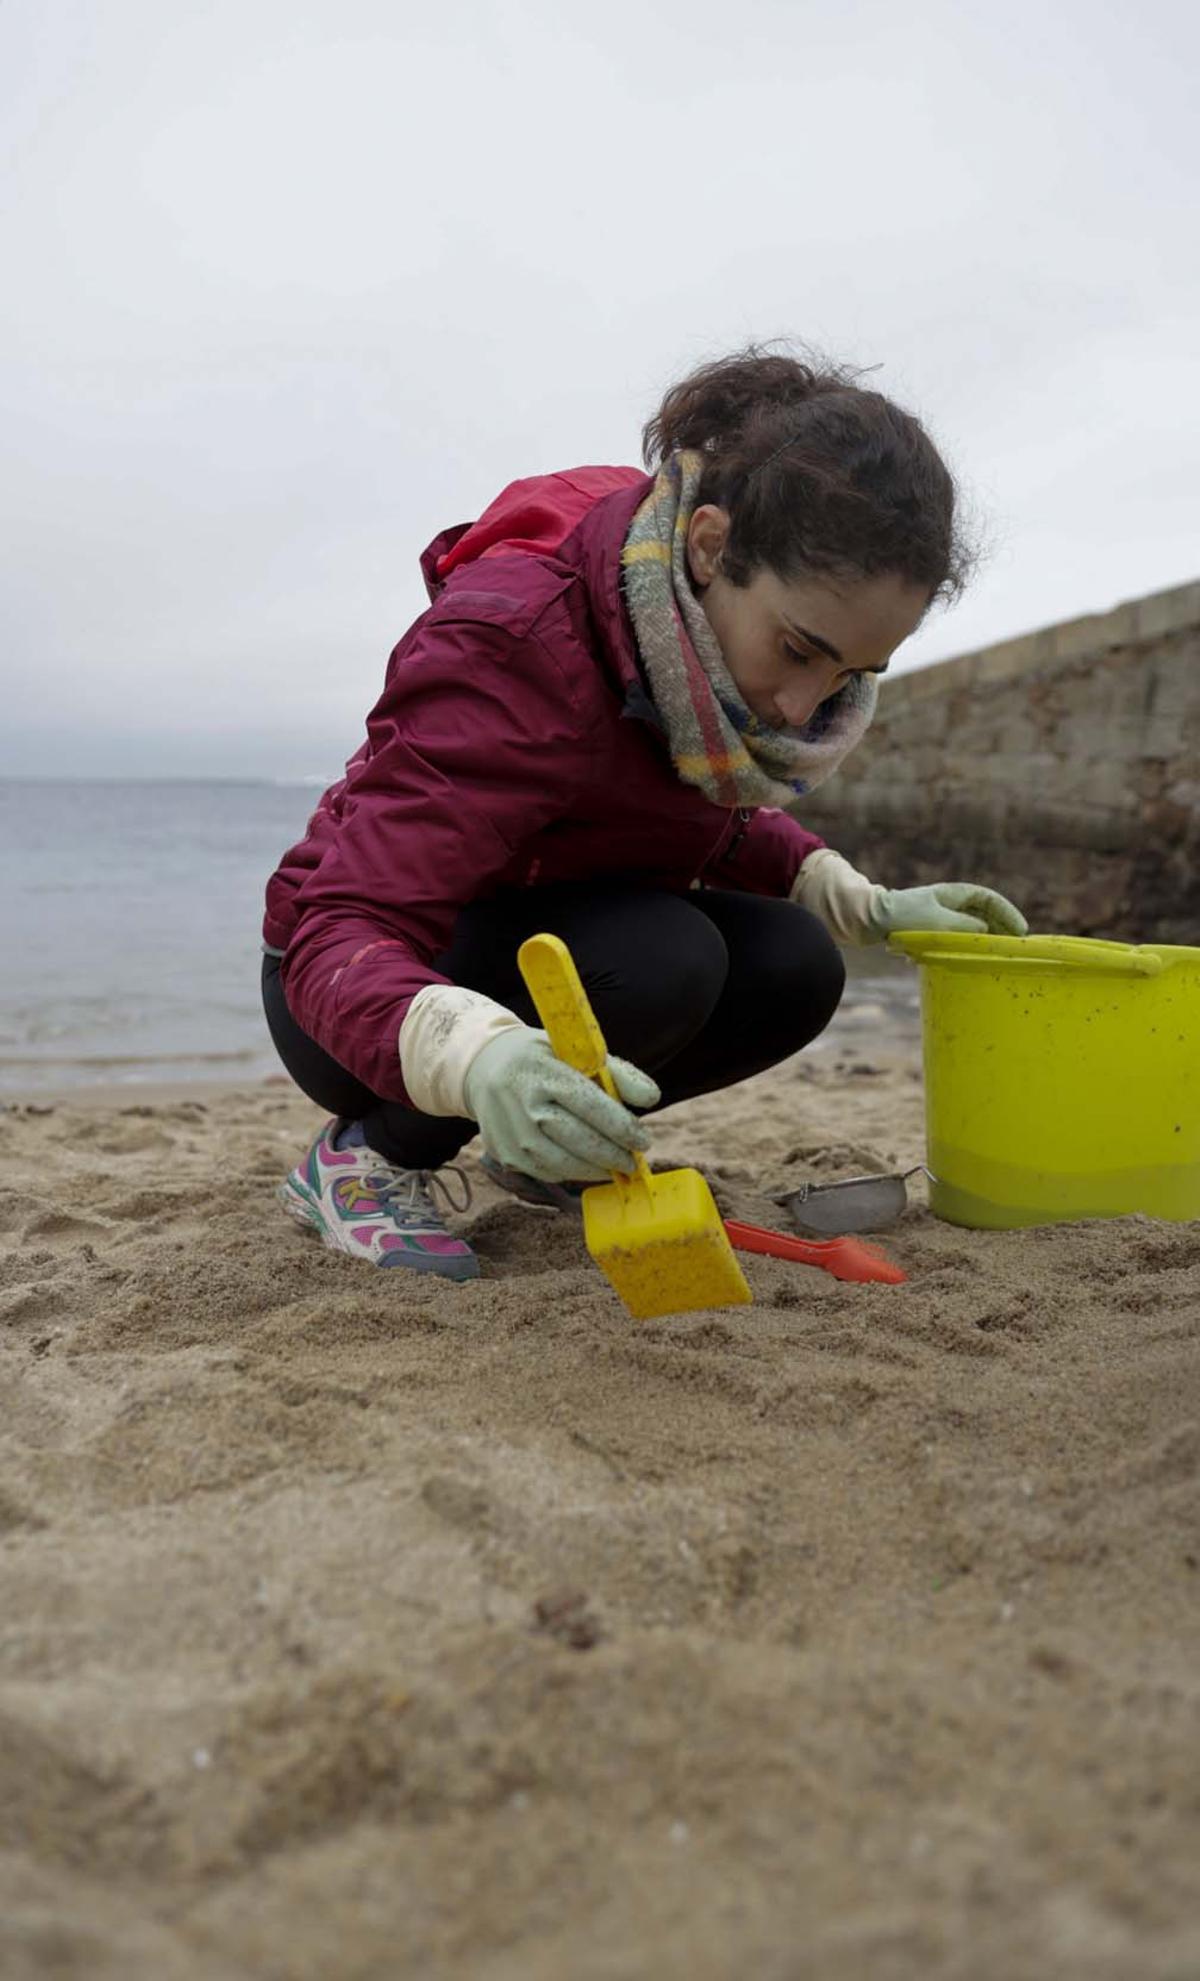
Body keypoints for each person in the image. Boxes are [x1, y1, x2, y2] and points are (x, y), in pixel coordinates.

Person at [261, 346, 1026, 1280]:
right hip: (353, 984)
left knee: (796, 961)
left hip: (539, 928)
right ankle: (367, 1159)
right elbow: (338, 927)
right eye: (797, 649)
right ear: (710, 545)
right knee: (669, 956)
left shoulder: (687, 641)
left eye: (850, 676)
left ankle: (537, 1142)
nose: (801, 708)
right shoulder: (514, 642)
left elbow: (691, 812)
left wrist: (855, 899)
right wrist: (480, 1056)